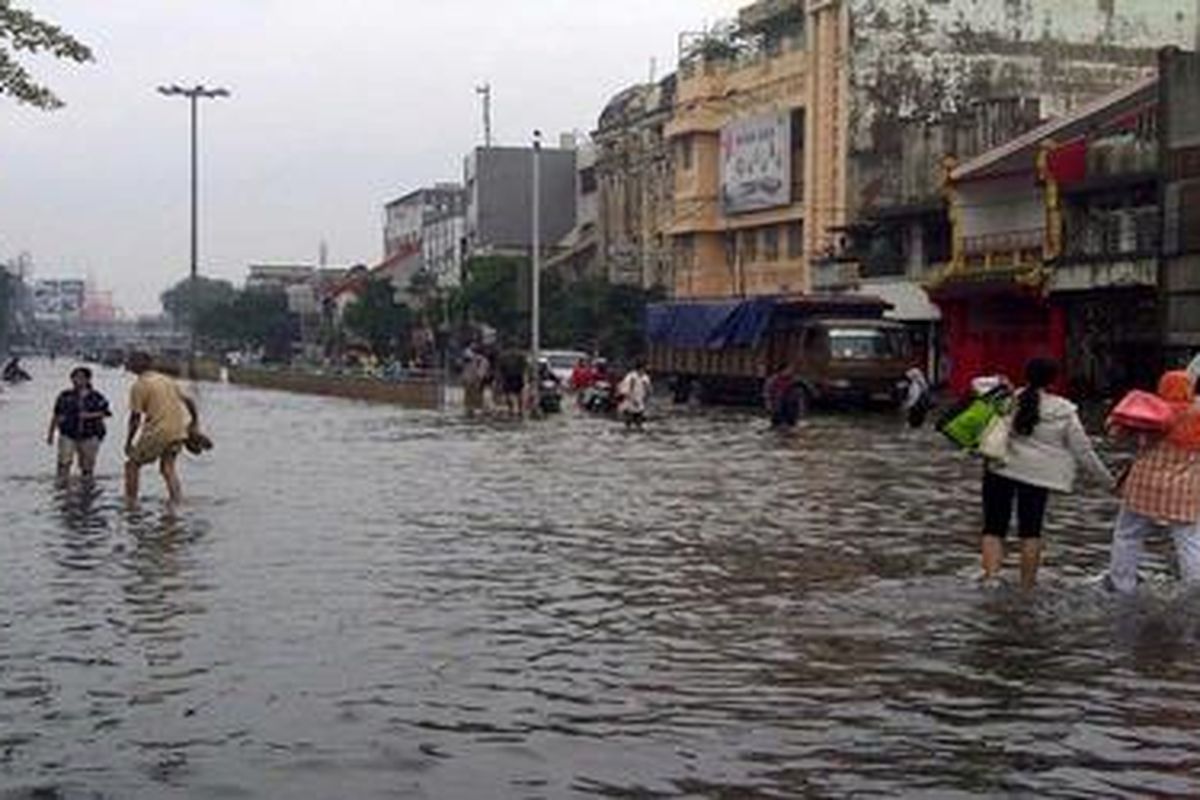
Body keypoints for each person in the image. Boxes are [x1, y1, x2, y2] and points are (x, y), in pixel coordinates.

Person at [980, 357, 1113, 589]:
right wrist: (1109, 482)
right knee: (1031, 532)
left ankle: (991, 580)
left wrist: (1000, 382)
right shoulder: (1064, 410)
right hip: (1036, 477)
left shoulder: (1007, 400)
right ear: (1054, 380)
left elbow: (977, 387)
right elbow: (1084, 452)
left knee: (993, 528)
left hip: (999, 470)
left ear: (1026, 375)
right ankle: (1027, 587)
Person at [1106, 370, 1200, 594]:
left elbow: (1113, 434)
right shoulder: (1197, 413)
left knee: (1128, 535)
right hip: (1183, 490)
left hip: (1143, 484)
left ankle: (1122, 584)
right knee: (1189, 541)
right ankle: (1194, 589)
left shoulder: (1148, 412)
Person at [123, 351, 199, 504]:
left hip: (159, 431)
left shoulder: (140, 385)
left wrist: (129, 441)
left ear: (136, 365)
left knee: (132, 465)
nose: (127, 364)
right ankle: (176, 501)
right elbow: (189, 401)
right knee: (168, 468)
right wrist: (194, 422)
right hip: (178, 431)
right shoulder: (167, 380)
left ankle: (130, 503)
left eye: (130, 362)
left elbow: (135, 418)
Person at [47, 366, 111, 479]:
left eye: (81, 377)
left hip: (90, 434)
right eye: (74, 377)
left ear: (88, 379)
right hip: (68, 433)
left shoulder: (96, 396)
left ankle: (86, 489)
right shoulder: (65, 396)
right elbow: (57, 415)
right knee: (64, 462)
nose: (77, 380)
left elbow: (106, 413)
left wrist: (89, 416)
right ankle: (62, 487)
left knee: (87, 467)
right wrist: (51, 434)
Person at [764, 363, 801, 429]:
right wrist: (769, 405)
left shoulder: (794, 381)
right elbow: (767, 394)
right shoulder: (773, 380)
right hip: (778, 408)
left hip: (791, 409)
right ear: (782, 370)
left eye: (790, 370)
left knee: (791, 426)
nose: (790, 371)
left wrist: (799, 410)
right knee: (778, 426)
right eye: (788, 370)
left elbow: (798, 396)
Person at [617, 360, 652, 430]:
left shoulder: (645, 377)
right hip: (631, 401)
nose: (647, 369)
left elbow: (648, 389)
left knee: (639, 421)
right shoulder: (632, 377)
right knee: (629, 420)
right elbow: (627, 389)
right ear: (641, 368)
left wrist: (647, 396)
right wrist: (632, 399)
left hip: (639, 401)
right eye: (645, 367)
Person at [495, 348, 527, 417]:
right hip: (514, 377)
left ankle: (515, 410)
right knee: (514, 394)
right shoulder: (520, 356)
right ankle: (516, 410)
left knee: (512, 394)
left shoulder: (504, 357)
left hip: (512, 378)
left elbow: (500, 369)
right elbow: (524, 368)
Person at [461, 345, 488, 417]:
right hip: (473, 381)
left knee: (472, 396)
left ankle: (471, 409)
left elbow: (481, 372)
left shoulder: (479, 360)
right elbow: (482, 372)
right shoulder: (474, 360)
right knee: (476, 396)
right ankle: (475, 409)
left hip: (472, 381)